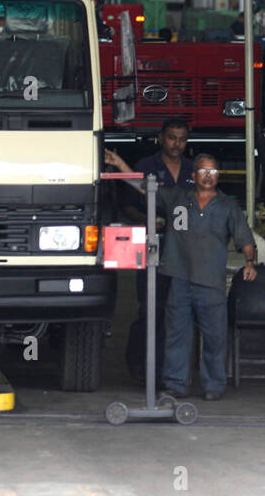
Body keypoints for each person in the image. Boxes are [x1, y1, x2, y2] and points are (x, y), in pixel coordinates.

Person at [106, 149, 256, 401]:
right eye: (203, 171)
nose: (208, 176)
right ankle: (176, 384)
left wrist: (250, 262)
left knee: (214, 338)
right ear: (194, 175)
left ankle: (213, 386)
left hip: (211, 283)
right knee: (177, 336)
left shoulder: (228, 206)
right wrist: (121, 163)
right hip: (179, 279)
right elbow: (143, 187)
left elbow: (245, 238)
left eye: (213, 171)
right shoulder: (176, 198)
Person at [114, 117, 195, 385]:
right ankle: (140, 367)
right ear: (161, 138)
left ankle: (169, 371)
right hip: (152, 245)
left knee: (179, 310)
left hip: (183, 250)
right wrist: (147, 221)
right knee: (150, 308)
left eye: (182, 139)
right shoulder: (146, 167)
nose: (177, 144)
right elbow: (127, 205)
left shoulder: (193, 170)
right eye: (172, 137)